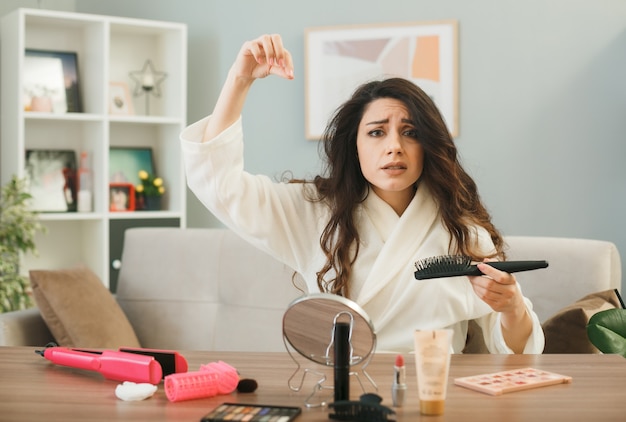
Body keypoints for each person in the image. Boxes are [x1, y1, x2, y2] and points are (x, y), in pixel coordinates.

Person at [180, 34, 544, 354]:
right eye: (376, 133)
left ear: (428, 146)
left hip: (434, 392)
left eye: (410, 133)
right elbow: (220, 187)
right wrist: (240, 80)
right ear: (354, 146)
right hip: (343, 388)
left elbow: (516, 351)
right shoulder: (314, 214)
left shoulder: (464, 232)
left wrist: (512, 308)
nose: (394, 147)